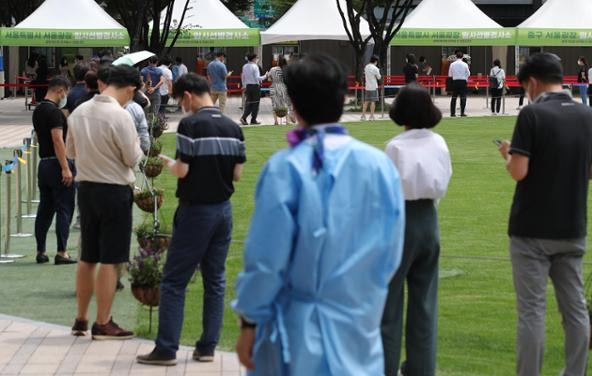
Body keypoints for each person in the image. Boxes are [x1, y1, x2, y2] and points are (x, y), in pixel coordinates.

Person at [232, 53, 405, 375]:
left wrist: (249, 321)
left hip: (300, 332)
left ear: (293, 104)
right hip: (358, 320)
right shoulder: (379, 166)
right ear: (344, 98)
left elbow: (266, 260)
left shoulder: (285, 168)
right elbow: (391, 252)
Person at [497, 53, 592, 376]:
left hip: (531, 228)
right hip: (572, 225)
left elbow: (519, 171)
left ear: (532, 83)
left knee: (531, 312)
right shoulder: (589, 116)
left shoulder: (532, 115)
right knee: (574, 309)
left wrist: (508, 154)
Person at [136, 73, 245, 366]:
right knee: (215, 280)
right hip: (224, 211)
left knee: (173, 281)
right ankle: (207, 347)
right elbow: (237, 174)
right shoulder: (233, 128)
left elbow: (183, 171)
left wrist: (172, 165)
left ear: (187, 97)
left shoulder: (191, 125)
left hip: (196, 210)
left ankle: (167, 348)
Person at [67, 65, 143, 340]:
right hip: (114, 191)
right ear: (130, 88)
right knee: (112, 259)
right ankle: (103, 322)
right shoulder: (119, 116)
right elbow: (132, 158)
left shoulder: (79, 111)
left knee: (88, 257)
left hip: (86, 189)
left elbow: (71, 151)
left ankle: (81, 318)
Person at [382, 84, 452, 376]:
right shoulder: (439, 142)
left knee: (390, 304)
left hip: (401, 220)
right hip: (428, 220)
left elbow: (386, 192)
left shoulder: (396, 146)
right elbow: (445, 180)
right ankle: (421, 369)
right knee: (424, 303)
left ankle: (384, 367)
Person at [32, 75, 77, 265]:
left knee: (45, 209)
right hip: (58, 163)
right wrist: (65, 167)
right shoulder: (55, 113)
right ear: (60, 90)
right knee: (64, 208)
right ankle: (62, 251)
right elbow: (57, 140)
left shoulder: (38, 110)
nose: (65, 97)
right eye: (65, 93)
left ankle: (41, 250)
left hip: (44, 164)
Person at [267, 56, 294, 125]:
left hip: (274, 87)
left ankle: (276, 121)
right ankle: (287, 121)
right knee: (285, 103)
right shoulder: (287, 69)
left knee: (274, 104)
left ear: (278, 62)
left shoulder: (273, 69)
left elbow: (269, 79)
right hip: (284, 87)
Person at [240, 54, 266, 125]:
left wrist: (244, 85)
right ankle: (252, 119)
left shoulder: (244, 66)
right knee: (255, 103)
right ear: (254, 59)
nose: (257, 59)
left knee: (249, 103)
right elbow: (257, 78)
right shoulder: (255, 66)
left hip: (248, 86)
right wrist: (265, 76)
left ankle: (245, 117)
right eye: (257, 58)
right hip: (255, 86)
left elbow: (243, 77)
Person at [448, 50, 470, 117]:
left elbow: (450, 75)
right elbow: (468, 74)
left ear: (456, 56)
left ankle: (452, 113)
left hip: (455, 82)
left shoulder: (452, 64)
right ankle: (462, 113)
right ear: (462, 57)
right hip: (463, 82)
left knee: (454, 98)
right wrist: (465, 78)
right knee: (463, 97)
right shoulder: (465, 64)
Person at [362, 55, 382, 121]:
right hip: (373, 86)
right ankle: (371, 116)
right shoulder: (375, 68)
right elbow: (379, 77)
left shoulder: (366, 67)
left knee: (366, 101)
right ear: (376, 61)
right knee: (373, 101)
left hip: (367, 86)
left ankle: (363, 115)